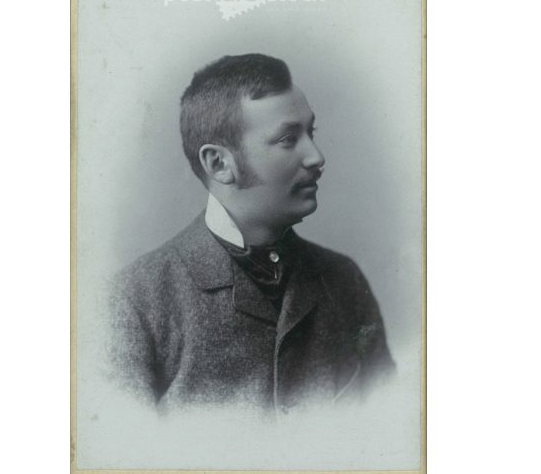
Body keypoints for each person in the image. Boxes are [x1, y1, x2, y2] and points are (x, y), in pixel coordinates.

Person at [109, 53, 394, 416]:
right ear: (220, 164)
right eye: (289, 139)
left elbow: (386, 427)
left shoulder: (345, 281)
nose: (316, 156)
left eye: (311, 132)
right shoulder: (134, 303)